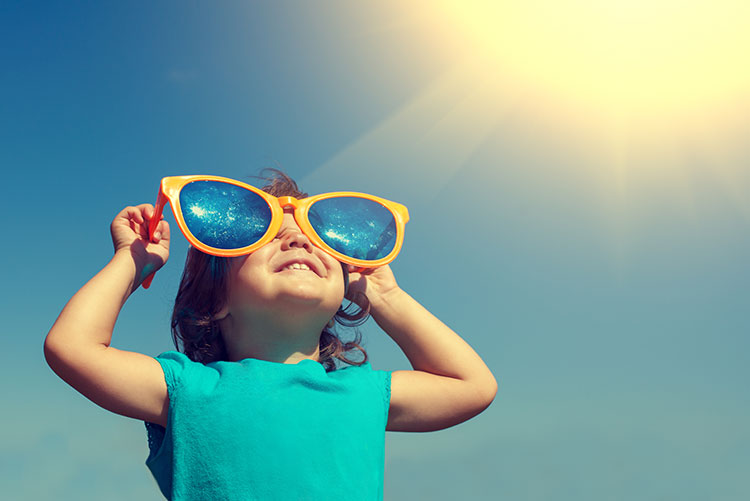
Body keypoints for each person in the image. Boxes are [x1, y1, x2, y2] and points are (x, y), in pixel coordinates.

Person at [44, 169, 497, 500]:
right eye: (269, 238)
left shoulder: (362, 392)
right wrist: (132, 258)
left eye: (318, 243)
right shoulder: (189, 388)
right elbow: (73, 348)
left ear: (343, 293)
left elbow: (472, 386)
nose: (298, 242)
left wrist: (387, 296)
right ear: (214, 298)